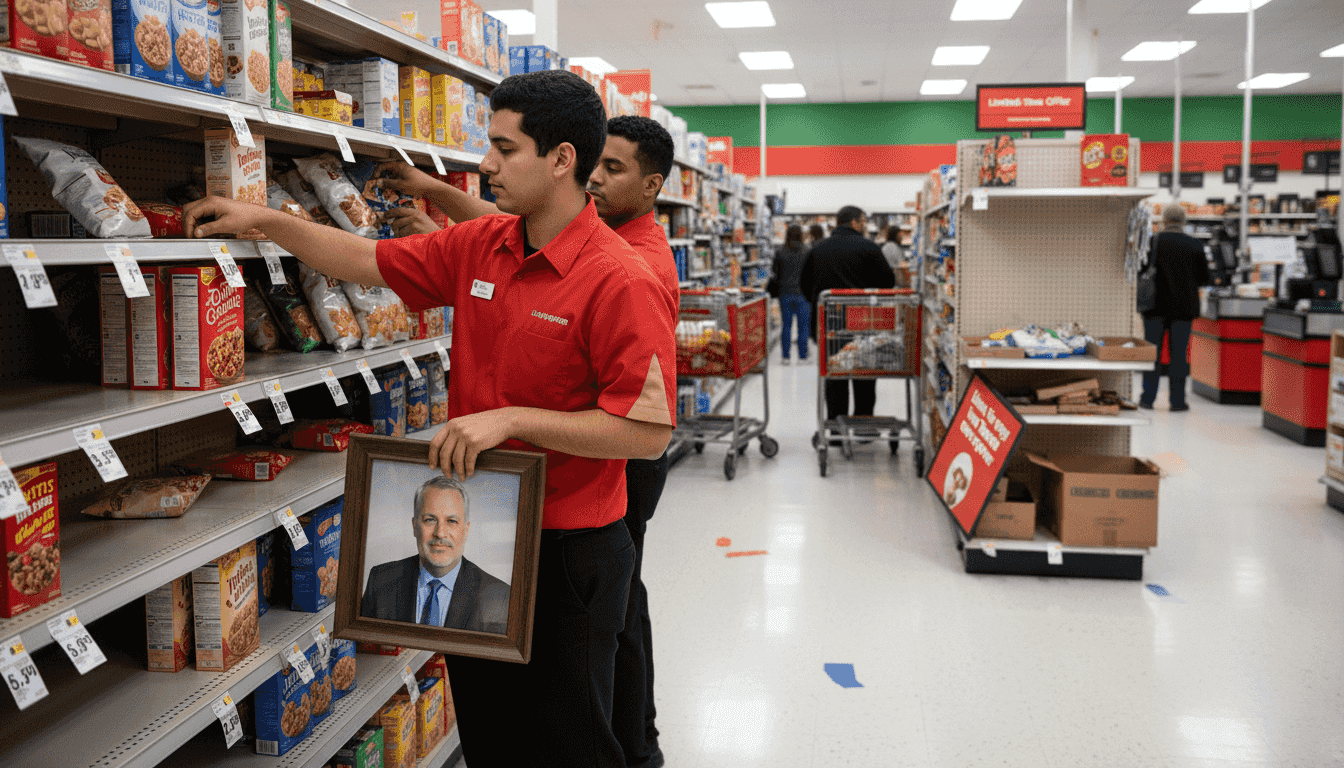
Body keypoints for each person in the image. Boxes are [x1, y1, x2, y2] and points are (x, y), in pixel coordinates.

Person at [182, 69, 677, 768]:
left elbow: (648, 430)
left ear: (562, 159)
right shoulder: (486, 245)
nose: (487, 164)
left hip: (570, 553)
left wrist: (512, 419)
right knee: (492, 734)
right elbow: (365, 259)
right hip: (481, 537)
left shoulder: (621, 278)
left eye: (506, 149)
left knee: (570, 743)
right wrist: (266, 221)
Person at [380, 114, 679, 768]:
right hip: (501, 511)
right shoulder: (540, 234)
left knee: (600, 655)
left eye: (614, 169)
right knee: (510, 713)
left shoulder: (635, 266)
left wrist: (513, 419)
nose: (597, 180)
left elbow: (648, 431)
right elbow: (499, 226)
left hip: (587, 504)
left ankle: (638, 747)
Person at [360, 475, 509, 633]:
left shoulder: (499, 597)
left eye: (451, 521)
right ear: (415, 527)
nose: (440, 533)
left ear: (466, 530)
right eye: (430, 520)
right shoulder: (381, 581)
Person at [802, 205, 897, 423]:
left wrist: (823, 304)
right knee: (865, 372)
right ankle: (863, 425)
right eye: (863, 221)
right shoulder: (870, 248)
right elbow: (888, 283)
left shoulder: (817, 249)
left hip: (829, 323)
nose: (864, 225)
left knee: (835, 375)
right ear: (854, 222)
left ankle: (835, 427)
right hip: (863, 322)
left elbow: (805, 286)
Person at [1141, 204, 1210, 412]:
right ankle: (1177, 402)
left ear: (1163, 220)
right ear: (1183, 221)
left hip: (1154, 307)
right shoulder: (1195, 244)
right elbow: (1204, 278)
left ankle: (1147, 399)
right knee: (1179, 355)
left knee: (1152, 353)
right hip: (1183, 308)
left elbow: (1142, 270)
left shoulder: (1153, 242)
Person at [771, 224, 810, 364]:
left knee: (786, 326)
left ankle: (785, 357)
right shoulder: (807, 251)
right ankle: (802, 357)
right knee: (803, 327)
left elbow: (775, 272)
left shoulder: (780, 252)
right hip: (803, 294)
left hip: (785, 293)